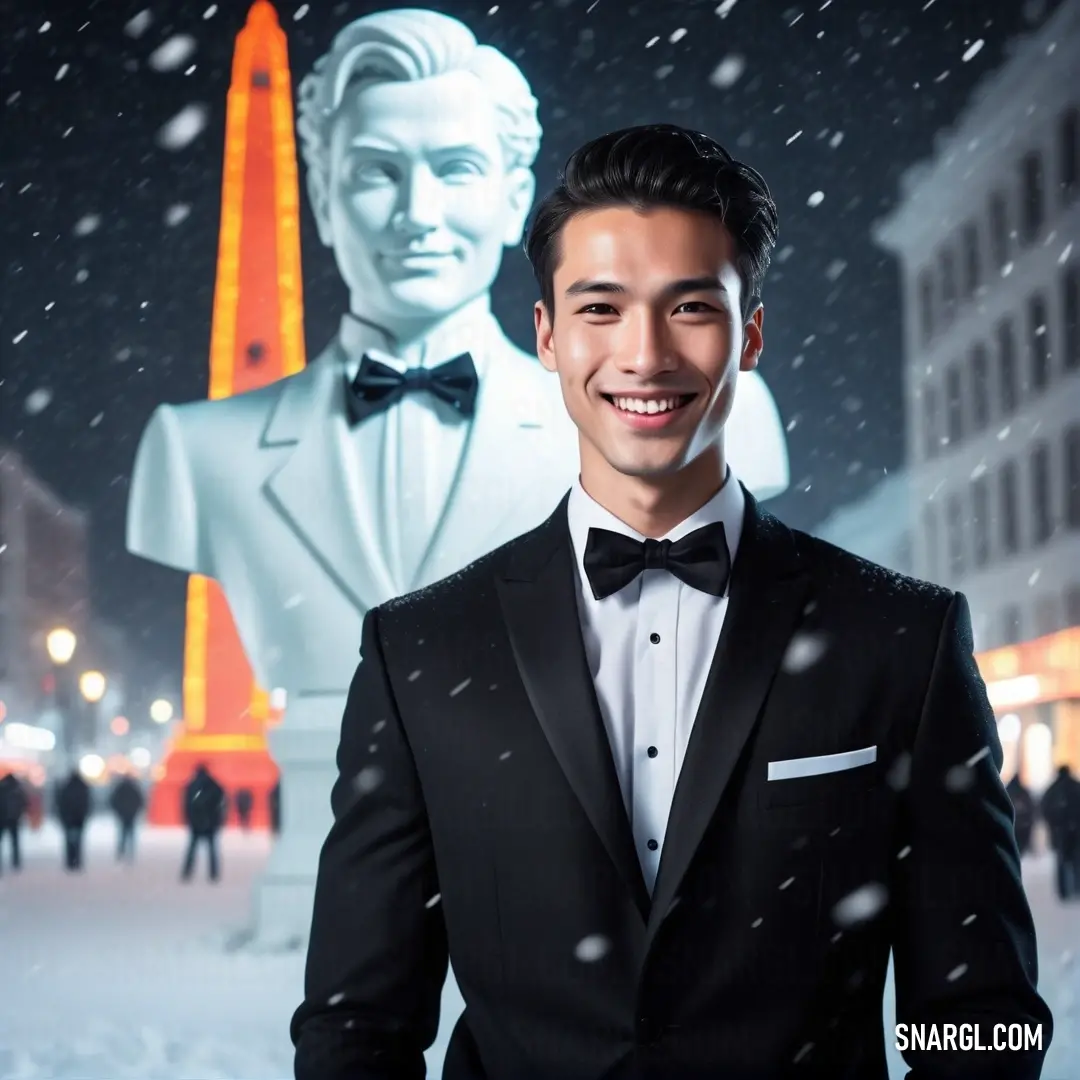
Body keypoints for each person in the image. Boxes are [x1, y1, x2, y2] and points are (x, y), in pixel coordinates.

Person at [291, 124, 1053, 1080]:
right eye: (600, 308)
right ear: (547, 336)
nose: (644, 354)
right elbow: (355, 1026)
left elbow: (983, 1018)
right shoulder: (419, 653)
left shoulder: (901, 637)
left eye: (690, 306)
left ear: (752, 335)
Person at [125, 8, 790, 946]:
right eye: (375, 173)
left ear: (516, 192)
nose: (417, 214)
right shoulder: (194, 454)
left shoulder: (707, 420)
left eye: (456, 169)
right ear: (318, 197)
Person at [1040, 764, 1080, 901]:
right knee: (1076, 861)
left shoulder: (1053, 788)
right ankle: (1077, 888)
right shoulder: (1076, 786)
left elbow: (1044, 808)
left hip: (1060, 832)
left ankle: (1063, 892)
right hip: (1076, 832)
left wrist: (1053, 824)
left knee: (1061, 862)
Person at [181, 762, 226, 882]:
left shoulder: (192, 785)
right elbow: (221, 803)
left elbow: (187, 804)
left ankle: (187, 872)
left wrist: (189, 819)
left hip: (196, 822)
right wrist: (218, 820)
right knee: (212, 850)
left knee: (192, 849)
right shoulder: (214, 785)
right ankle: (213, 874)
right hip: (211, 822)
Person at [56, 768, 91, 872]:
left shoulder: (65, 787)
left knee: (69, 841)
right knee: (78, 841)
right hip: (79, 819)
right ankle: (77, 861)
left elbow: (61, 804)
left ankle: (70, 861)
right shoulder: (83, 787)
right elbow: (87, 803)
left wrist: (63, 817)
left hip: (69, 819)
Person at [108, 774, 145, 862]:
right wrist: (135, 810)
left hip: (123, 814)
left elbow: (113, 801)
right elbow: (140, 801)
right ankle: (130, 852)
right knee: (130, 835)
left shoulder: (120, 789)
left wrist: (119, 811)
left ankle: (121, 851)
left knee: (123, 834)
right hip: (131, 814)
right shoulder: (134, 788)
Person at [0, 770, 29, 873]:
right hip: (14, 818)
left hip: (2, 819)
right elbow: (25, 802)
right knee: (15, 842)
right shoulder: (17, 788)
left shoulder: (2, 787)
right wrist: (19, 813)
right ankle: (16, 862)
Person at [1006, 772, 1037, 857]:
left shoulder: (1007, 792)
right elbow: (1031, 809)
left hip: (1013, 827)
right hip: (1023, 827)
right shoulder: (1024, 793)